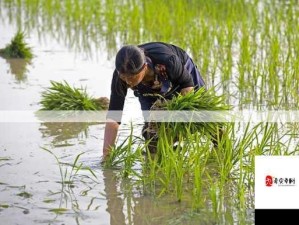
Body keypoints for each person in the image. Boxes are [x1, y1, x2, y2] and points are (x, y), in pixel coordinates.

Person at [102, 42, 205, 161]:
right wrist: (106, 156)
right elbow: (114, 118)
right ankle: (159, 164)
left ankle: (220, 145)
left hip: (182, 76)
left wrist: (175, 124)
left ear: (144, 67)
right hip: (146, 89)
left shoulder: (168, 61)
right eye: (124, 78)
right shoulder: (120, 77)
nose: (127, 82)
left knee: (206, 115)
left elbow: (187, 87)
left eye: (131, 78)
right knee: (152, 133)